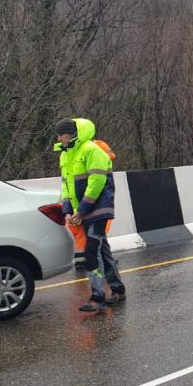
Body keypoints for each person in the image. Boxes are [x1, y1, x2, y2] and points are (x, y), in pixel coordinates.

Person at [55, 118, 125, 312]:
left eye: (62, 134)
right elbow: (66, 186)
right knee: (102, 250)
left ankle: (97, 296)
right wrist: (67, 210)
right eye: (58, 134)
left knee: (92, 251)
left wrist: (82, 209)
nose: (59, 137)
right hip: (83, 210)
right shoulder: (65, 155)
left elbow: (97, 183)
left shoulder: (92, 150)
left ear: (72, 133)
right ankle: (118, 289)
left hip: (98, 208)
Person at [67, 139, 115, 269]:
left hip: (76, 203)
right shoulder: (95, 149)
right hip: (84, 204)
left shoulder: (76, 153)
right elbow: (95, 183)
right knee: (96, 234)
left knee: (83, 233)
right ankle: (98, 263)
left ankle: (84, 260)